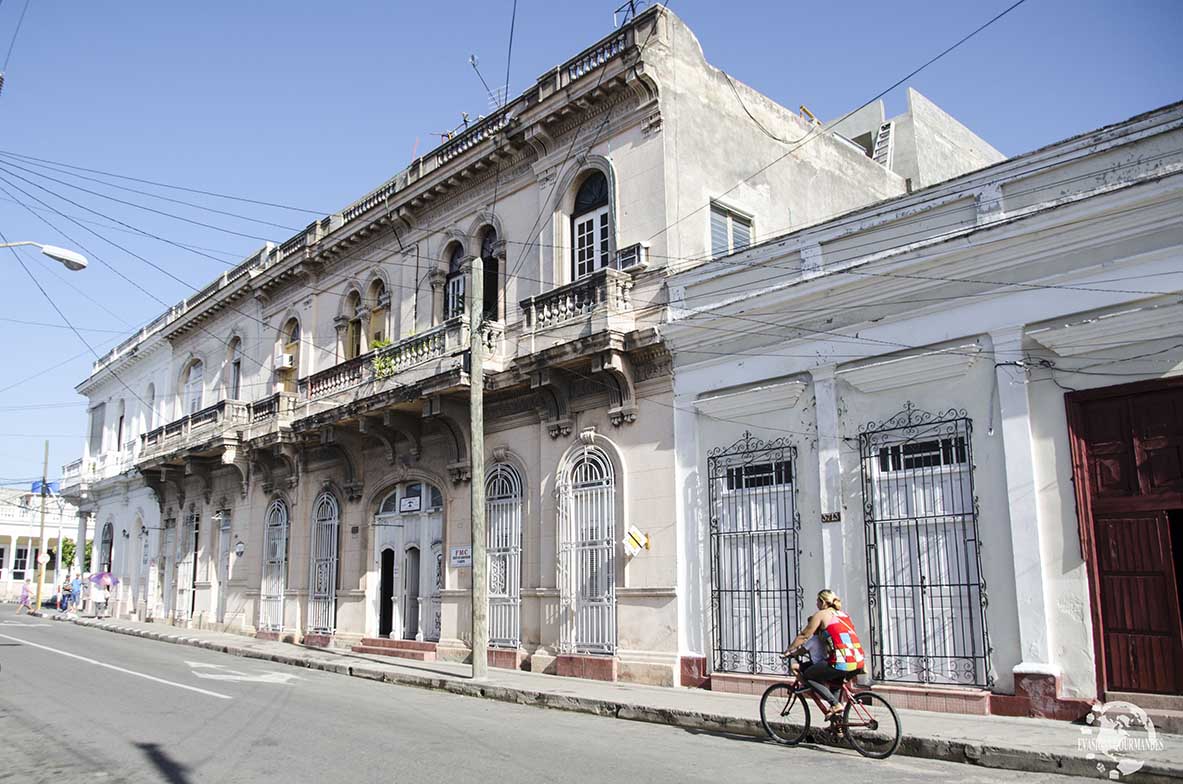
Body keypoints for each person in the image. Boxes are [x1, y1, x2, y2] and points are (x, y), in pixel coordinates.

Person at [784, 589, 866, 719]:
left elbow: (805, 635)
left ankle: (834, 704)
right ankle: (838, 725)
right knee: (835, 686)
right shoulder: (843, 615)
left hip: (841, 661)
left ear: (822, 602)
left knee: (808, 675)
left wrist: (788, 650)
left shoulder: (822, 614)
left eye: (817, 601)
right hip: (858, 660)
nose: (816, 604)